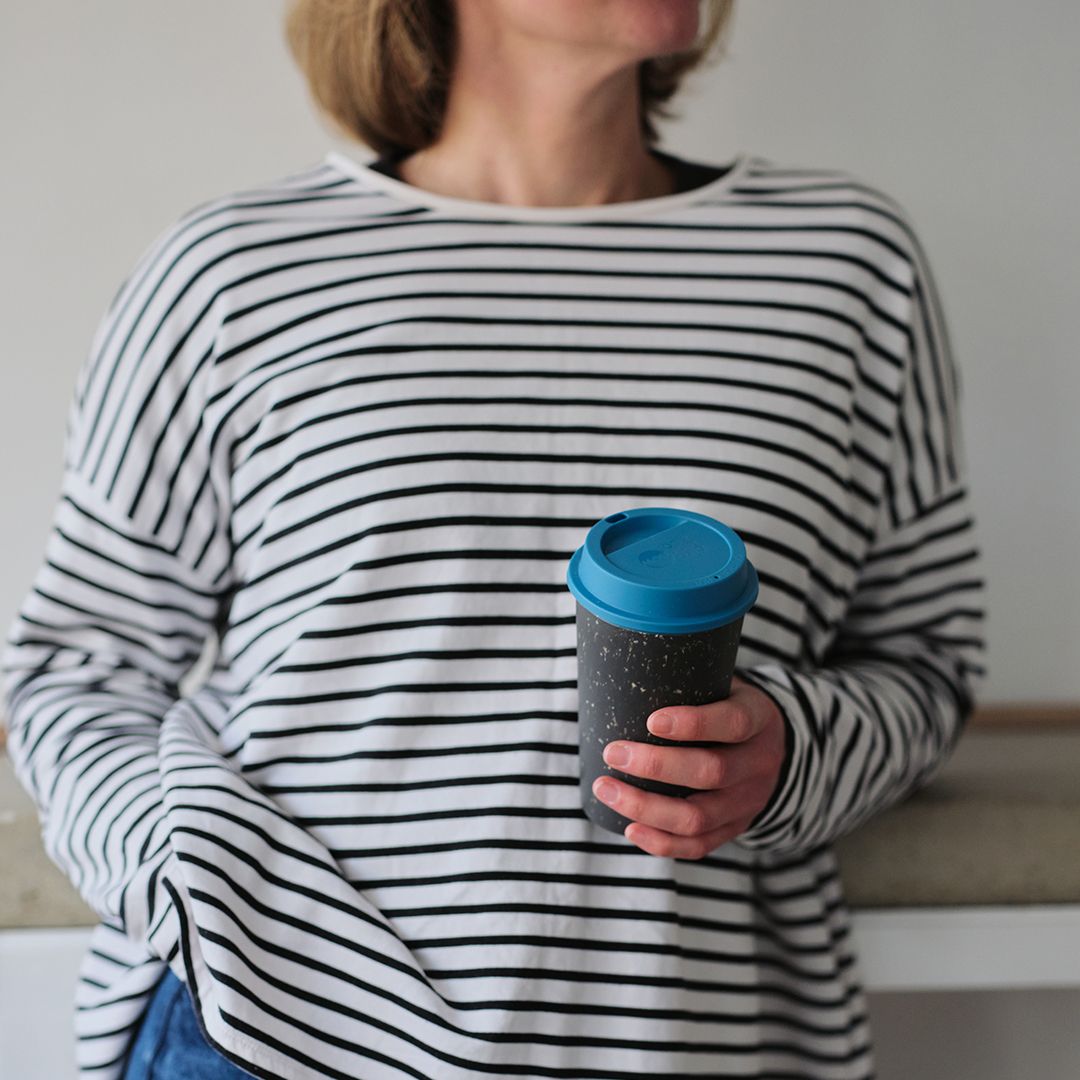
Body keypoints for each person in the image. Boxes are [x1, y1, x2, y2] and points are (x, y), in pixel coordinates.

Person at [0, 0, 987, 1077]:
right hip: (270, 1037)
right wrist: (194, 892)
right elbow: (78, 667)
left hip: (680, 1040)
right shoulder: (235, 274)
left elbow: (927, 662)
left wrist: (789, 755)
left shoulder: (843, 265)